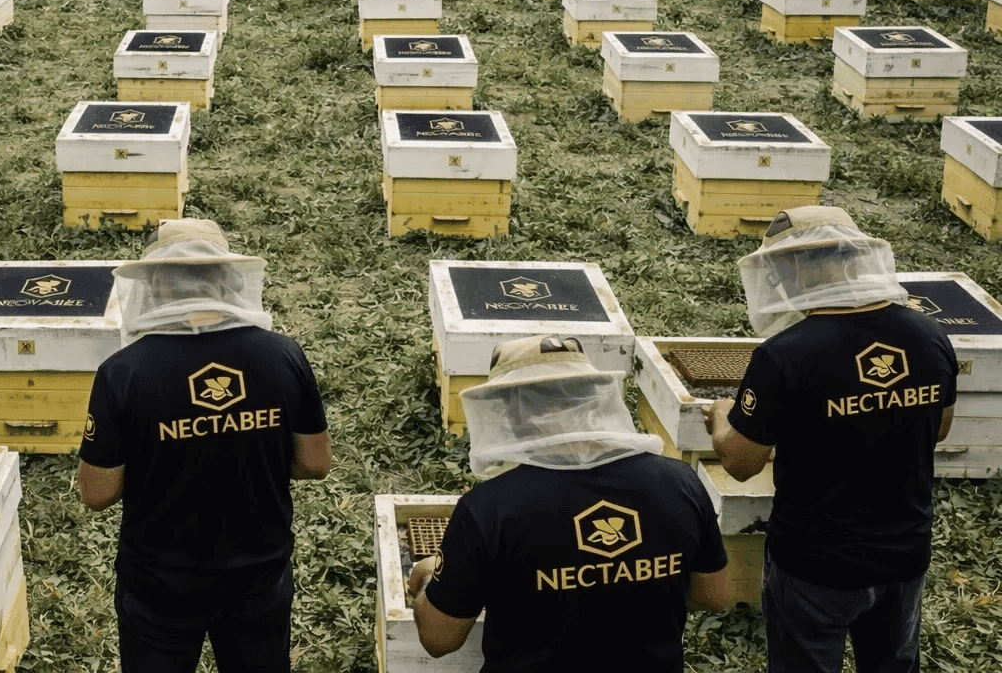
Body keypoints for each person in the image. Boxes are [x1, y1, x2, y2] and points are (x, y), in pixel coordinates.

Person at [706, 206, 958, 673]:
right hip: (904, 555)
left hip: (815, 565)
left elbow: (741, 463)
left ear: (799, 267)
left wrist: (722, 417)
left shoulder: (784, 355)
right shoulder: (930, 336)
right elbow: (939, 428)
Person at [77, 219, 331, 673]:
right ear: (225, 277)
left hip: (160, 584)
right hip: (258, 577)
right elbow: (315, 463)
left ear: (153, 281)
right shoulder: (283, 355)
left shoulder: (123, 372)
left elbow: (97, 493)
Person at [408, 334, 730, 671]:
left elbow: (439, 639)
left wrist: (432, 580)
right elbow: (713, 596)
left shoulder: (488, 510)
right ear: (591, 399)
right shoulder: (680, 483)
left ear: (512, 411)